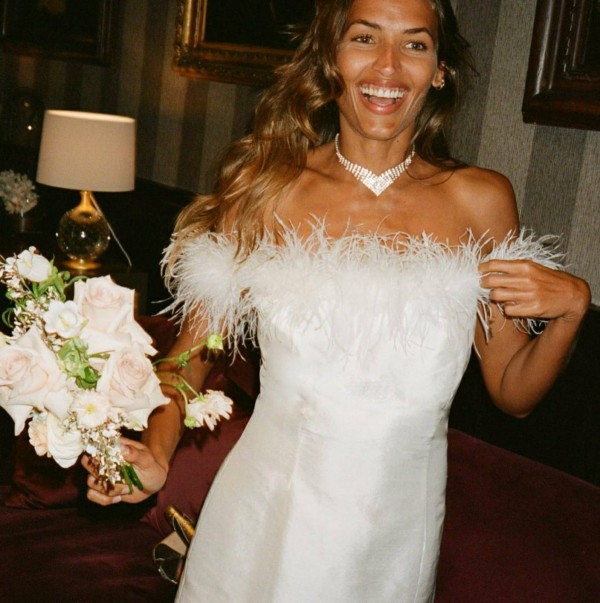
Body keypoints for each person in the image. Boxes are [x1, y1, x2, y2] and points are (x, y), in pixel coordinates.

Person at [85, 0, 591, 601]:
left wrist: (570, 313)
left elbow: (513, 392)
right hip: (259, 521)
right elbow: (190, 359)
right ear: (331, 57)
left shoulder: (480, 201)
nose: (388, 66)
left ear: (440, 70)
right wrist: (155, 452)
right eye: (364, 38)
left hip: (395, 538)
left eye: (415, 44)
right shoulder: (265, 190)